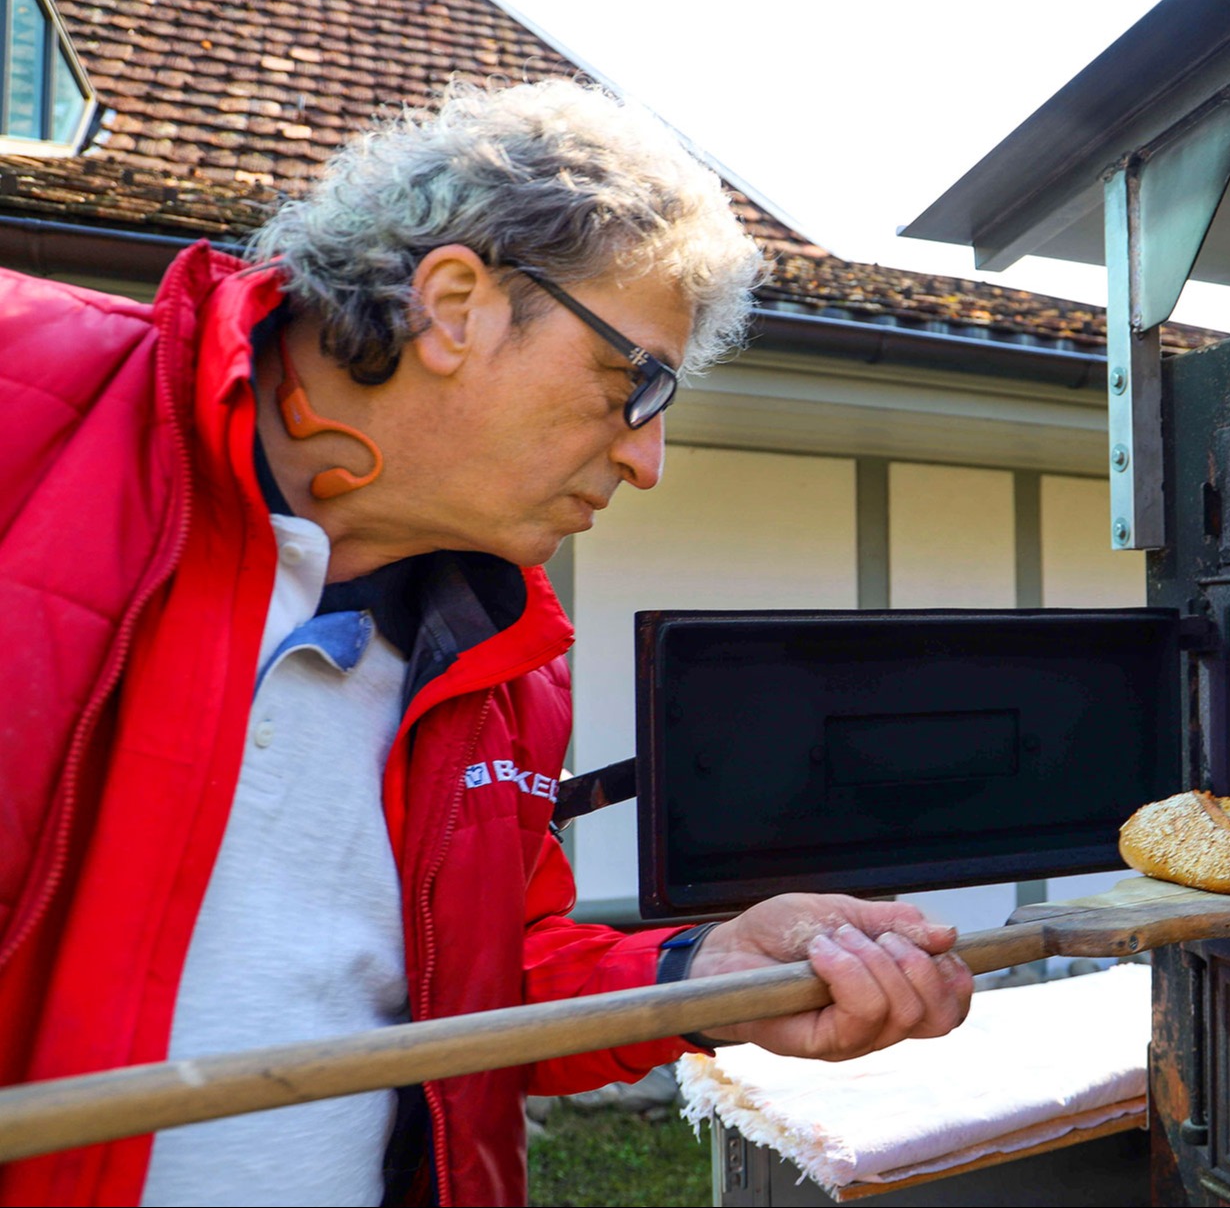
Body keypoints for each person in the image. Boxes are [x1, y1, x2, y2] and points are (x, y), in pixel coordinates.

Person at [0, 80, 973, 1207]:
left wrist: (699, 975)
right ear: (455, 304)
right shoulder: (29, 398)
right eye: (635, 383)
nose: (645, 462)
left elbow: (473, 977)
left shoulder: (505, 656)